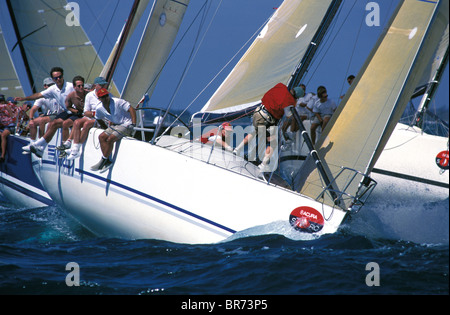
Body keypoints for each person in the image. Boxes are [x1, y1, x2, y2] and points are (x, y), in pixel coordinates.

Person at [233, 83, 304, 170]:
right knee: (273, 142)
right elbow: (289, 115)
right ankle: (263, 165)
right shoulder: (289, 101)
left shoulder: (281, 86)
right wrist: (293, 104)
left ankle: (237, 150)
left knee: (255, 132)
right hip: (266, 119)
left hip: (257, 113)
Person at [16, 67, 74, 155]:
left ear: (63, 76)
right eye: (56, 78)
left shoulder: (70, 86)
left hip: (75, 111)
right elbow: (38, 95)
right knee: (51, 124)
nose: (58, 79)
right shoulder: (53, 89)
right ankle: (41, 149)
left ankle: (36, 144)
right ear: (53, 79)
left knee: (52, 123)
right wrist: (24, 98)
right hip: (67, 112)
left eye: (60, 77)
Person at [28, 75, 85, 158]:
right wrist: (31, 119)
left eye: (82, 85)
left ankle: (38, 144)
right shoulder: (67, 94)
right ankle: (41, 147)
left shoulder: (85, 93)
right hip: (71, 112)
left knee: (61, 123)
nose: (81, 87)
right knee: (53, 123)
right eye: (78, 86)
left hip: (77, 114)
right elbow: (68, 106)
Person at [89, 88, 136, 173]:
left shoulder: (118, 101)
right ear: (100, 99)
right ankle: (107, 160)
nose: (106, 98)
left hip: (126, 124)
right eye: (103, 97)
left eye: (107, 95)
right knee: (101, 136)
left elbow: (131, 109)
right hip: (116, 125)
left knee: (111, 139)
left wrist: (133, 123)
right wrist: (105, 128)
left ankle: (103, 160)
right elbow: (98, 118)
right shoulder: (99, 108)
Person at [63, 77, 109, 159]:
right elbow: (86, 111)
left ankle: (75, 150)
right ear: (95, 85)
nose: (103, 87)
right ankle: (74, 148)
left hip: (102, 119)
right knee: (76, 122)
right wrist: (93, 113)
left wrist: (95, 114)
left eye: (104, 85)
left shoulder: (108, 95)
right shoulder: (89, 95)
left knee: (86, 124)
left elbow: (107, 112)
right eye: (101, 85)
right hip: (91, 116)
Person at [23, 78, 61, 150]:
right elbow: (33, 109)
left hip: (58, 115)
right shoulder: (42, 96)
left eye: (53, 85)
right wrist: (31, 119)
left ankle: (40, 143)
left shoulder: (57, 93)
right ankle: (32, 143)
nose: (52, 87)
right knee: (32, 123)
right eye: (50, 85)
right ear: (45, 86)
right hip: (50, 115)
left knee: (41, 120)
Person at [0, 94, 16, 162]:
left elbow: (12, 116)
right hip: (2, 126)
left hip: (9, 126)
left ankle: (3, 156)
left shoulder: (6, 106)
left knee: (3, 135)